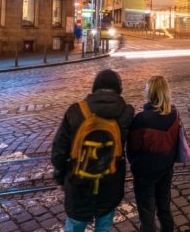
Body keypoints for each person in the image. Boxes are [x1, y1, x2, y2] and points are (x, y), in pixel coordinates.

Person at [51, 70, 135, 232]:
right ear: (119, 88)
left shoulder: (75, 111)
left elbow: (59, 152)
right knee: (103, 227)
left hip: (78, 184)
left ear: (95, 86)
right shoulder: (126, 112)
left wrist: (60, 179)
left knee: (75, 226)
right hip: (110, 184)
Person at [128, 76, 181, 232]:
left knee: (147, 213)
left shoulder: (141, 119)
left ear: (150, 92)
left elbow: (132, 148)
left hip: (145, 172)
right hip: (166, 168)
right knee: (164, 206)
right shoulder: (174, 114)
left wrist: (135, 164)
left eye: (146, 87)